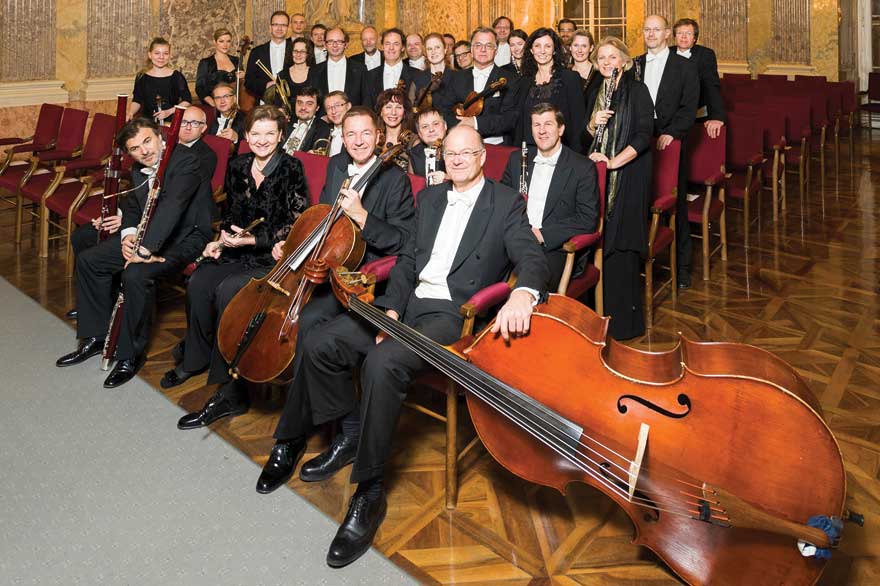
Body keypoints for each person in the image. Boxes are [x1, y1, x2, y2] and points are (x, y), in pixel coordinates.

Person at [259, 124, 548, 568]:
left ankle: (370, 492)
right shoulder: (429, 198)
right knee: (320, 341)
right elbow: (409, 260)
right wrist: (392, 309)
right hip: (407, 305)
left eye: (466, 153)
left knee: (381, 363)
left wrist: (524, 293)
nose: (457, 160)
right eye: (450, 153)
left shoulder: (506, 202)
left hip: (451, 316)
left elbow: (532, 256)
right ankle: (348, 434)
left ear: (482, 157)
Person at [180, 106, 414, 429]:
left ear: (378, 136)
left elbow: (403, 241)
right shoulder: (337, 166)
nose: (358, 141)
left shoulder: (395, 180)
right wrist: (291, 243)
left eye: (365, 134)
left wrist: (362, 216)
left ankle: (295, 424)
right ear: (343, 138)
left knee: (305, 322)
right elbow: (318, 218)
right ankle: (230, 391)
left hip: (353, 278)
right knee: (233, 291)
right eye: (351, 134)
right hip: (316, 261)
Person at [56, 113, 215, 387]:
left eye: (147, 141)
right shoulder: (139, 168)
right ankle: (96, 337)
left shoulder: (186, 161)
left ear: (159, 136)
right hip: (149, 233)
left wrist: (143, 250)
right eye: (135, 149)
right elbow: (132, 205)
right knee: (89, 261)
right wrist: (128, 234)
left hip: (186, 238)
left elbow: (172, 208)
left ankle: (131, 355)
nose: (144, 151)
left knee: (135, 275)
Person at [165, 105, 310, 391]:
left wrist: (253, 240)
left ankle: (225, 378)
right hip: (235, 250)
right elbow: (231, 213)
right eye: (256, 134)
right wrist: (220, 240)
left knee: (227, 291)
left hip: (271, 256)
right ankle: (194, 358)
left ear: (281, 135)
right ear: (246, 135)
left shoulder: (292, 168)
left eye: (269, 134)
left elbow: (295, 224)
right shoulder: (238, 165)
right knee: (198, 282)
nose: (262, 140)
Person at [586, 37, 654, 340]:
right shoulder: (594, 92)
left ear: (624, 62)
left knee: (621, 249)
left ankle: (624, 326)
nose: (606, 62)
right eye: (601, 58)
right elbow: (582, 137)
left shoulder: (637, 90)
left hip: (628, 177)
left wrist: (613, 163)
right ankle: (595, 319)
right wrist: (592, 124)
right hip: (596, 177)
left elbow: (644, 135)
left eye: (612, 57)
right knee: (596, 244)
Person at [501, 103, 599, 289]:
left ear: (561, 129)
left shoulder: (582, 167)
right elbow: (502, 202)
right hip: (514, 239)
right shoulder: (517, 159)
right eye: (536, 125)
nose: (542, 131)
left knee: (527, 289)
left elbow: (587, 219)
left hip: (553, 248)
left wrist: (543, 235)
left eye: (548, 124)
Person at [634, 15, 698, 289]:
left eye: (656, 29)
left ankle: (682, 268)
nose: (651, 34)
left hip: (670, 141)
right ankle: (638, 262)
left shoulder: (685, 66)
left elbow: (689, 107)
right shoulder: (634, 64)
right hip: (639, 141)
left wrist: (672, 134)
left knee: (675, 203)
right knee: (638, 201)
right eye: (647, 29)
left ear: (667, 33)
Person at [510, 28, 587, 153]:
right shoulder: (523, 82)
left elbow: (578, 122)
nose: (542, 51)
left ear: (554, 50)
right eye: (537, 46)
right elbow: (518, 123)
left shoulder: (570, 78)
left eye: (547, 46)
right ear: (531, 50)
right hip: (528, 152)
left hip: (560, 152)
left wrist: (575, 157)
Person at [439, 28, 516, 146]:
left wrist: (475, 123)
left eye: (489, 45)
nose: (483, 49)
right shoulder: (457, 77)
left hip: (496, 145)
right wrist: (460, 126)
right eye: (478, 45)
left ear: (496, 50)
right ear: (471, 49)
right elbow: (444, 110)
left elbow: (510, 118)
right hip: (461, 142)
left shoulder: (509, 79)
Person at [673, 18, 726, 138]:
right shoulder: (666, 53)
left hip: (697, 113)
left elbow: (711, 86)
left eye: (688, 33)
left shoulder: (706, 55)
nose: (683, 37)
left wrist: (717, 117)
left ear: (694, 38)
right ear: (675, 36)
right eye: (680, 33)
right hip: (670, 115)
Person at [129, 37, 192, 123]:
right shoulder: (141, 76)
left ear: (169, 55)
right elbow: (137, 100)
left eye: (165, 53)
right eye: (157, 53)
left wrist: (168, 112)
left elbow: (187, 100)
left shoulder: (176, 76)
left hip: (170, 122)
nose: (161, 57)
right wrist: (130, 112)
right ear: (150, 55)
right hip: (147, 122)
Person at [365, 28, 429, 108]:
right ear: (382, 47)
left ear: (403, 48)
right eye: (387, 43)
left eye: (396, 44)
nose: (391, 48)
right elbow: (367, 107)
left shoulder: (417, 75)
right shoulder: (369, 75)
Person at [307, 27, 368, 109]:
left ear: (346, 44)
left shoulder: (360, 69)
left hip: (352, 116)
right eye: (330, 41)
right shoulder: (314, 71)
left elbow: (366, 100)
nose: (335, 45)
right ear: (325, 44)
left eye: (339, 41)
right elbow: (311, 101)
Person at [244, 11, 293, 105]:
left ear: (288, 28)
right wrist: (265, 85)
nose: (279, 28)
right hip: (265, 104)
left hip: (291, 103)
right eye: (276, 24)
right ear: (270, 27)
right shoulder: (257, 52)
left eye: (283, 25)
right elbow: (249, 82)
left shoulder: (296, 50)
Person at [195, 28, 242, 108]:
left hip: (234, 105)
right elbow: (199, 88)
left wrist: (244, 77)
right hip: (213, 106)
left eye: (228, 41)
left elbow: (242, 87)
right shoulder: (206, 63)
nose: (225, 45)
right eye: (221, 41)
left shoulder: (236, 61)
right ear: (215, 42)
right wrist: (214, 103)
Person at [282, 86, 332, 154]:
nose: (303, 107)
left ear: (317, 108)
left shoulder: (323, 129)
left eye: (309, 104)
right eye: (300, 103)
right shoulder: (286, 121)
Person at [375, 87, 413, 172]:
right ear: (381, 112)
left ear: (404, 113)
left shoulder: (413, 141)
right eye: (388, 107)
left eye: (398, 107)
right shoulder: (374, 139)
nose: (393, 112)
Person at [408, 108, 447, 185]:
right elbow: (412, 184)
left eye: (436, 124)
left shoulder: (458, 147)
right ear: (419, 133)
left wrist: (447, 178)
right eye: (425, 126)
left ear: (445, 126)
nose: (431, 129)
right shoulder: (414, 153)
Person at [207, 82, 245, 151]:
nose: (222, 101)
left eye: (226, 96)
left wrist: (236, 138)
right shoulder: (211, 120)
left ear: (234, 98)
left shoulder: (246, 119)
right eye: (218, 98)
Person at [277, 36, 315, 104]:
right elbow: (278, 102)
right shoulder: (282, 75)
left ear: (308, 54)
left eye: (302, 51)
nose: (298, 54)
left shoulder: (316, 73)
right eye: (295, 51)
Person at [570, 30, 602, 99]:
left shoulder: (599, 73)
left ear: (591, 48)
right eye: (576, 45)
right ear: (570, 47)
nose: (579, 50)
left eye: (584, 46)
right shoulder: (564, 73)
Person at [324, 90, 352, 156]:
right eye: (328, 108)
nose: (333, 111)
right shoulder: (323, 132)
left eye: (337, 105)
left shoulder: (357, 133)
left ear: (348, 106)